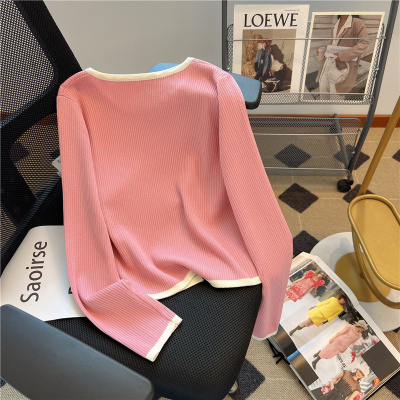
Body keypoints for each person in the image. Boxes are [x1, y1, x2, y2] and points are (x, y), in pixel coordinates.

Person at [316, 15, 369, 95]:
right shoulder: (336, 24)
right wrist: (324, 52)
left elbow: (364, 43)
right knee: (323, 91)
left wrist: (342, 56)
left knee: (335, 95)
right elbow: (335, 44)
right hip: (328, 63)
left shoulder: (356, 22)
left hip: (343, 67)